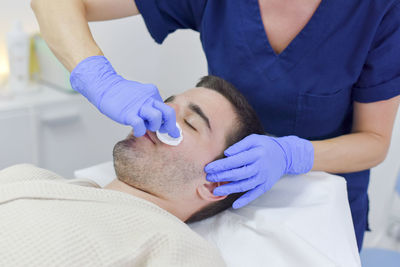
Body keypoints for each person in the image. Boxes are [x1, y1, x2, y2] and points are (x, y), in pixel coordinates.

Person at [31, 0, 400, 251]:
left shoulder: (378, 11)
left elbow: (375, 141)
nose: (165, 120)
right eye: (171, 106)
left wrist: (292, 154)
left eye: (191, 123)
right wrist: (97, 77)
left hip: (318, 198)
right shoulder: (28, 191)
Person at [0, 76, 265, 266]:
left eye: (190, 122)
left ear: (214, 185)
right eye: (165, 104)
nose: (160, 114)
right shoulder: (29, 177)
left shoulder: (176, 248)